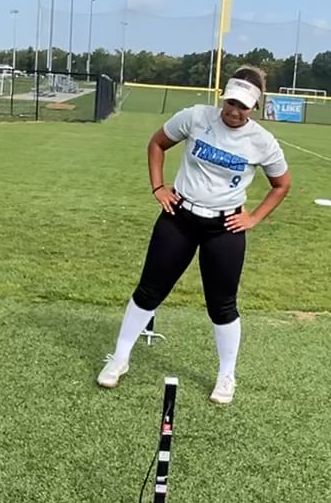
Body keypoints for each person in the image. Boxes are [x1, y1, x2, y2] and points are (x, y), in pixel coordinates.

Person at [98, 66, 293, 405]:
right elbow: (157, 143)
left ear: (254, 107)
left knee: (222, 305)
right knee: (149, 291)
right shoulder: (196, 117)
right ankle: (120, 358)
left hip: (225, 228)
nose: (234, 111)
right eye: (231, 102)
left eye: (243, 106)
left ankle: (226, 375)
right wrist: (158, 187)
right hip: (179, 217)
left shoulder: (262, 141)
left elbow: (282, 184)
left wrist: (253, 218)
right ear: (223, 97)